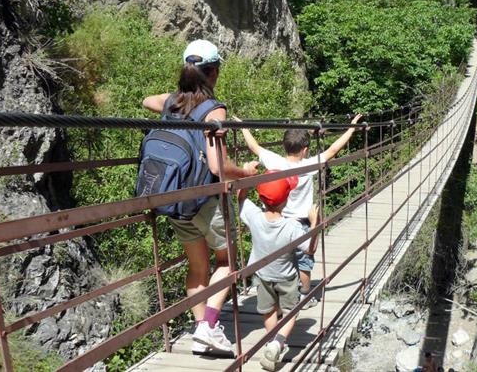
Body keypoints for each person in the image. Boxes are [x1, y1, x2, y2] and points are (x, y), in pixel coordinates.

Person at [142, 39, 259, 356]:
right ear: (214, 72)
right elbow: (217, 165)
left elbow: (145, 101)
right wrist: (247, 173)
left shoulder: (172, 103)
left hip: (175, 198)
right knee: (228, 260)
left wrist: (172, 101)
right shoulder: (214, 110)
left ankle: (201, 331)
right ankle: (208, 326)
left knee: (197, 268)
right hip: (205, 201)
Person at [238, 114, 362, 306]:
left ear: (284, 146)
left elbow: (254, 147)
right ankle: (305, 293)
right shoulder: (308, 165)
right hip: (303, 221)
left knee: (279, 257)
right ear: (305, 150)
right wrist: (351, 128)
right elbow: (333, 149)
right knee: (305, 260)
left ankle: (274, 290)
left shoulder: (275, 162)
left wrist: (243, 126)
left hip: (280, 219)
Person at [237, 171, 308, 371]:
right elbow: (310, 249)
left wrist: (247, 176)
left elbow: (241, 198)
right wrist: (316, 221)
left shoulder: (254, 216)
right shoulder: (292, 227)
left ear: (261, 197)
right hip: (286, 277)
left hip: (262, 275)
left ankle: (271, 343)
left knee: (268, 311)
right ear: (286, 200)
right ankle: (278, 343)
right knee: (291, 311)